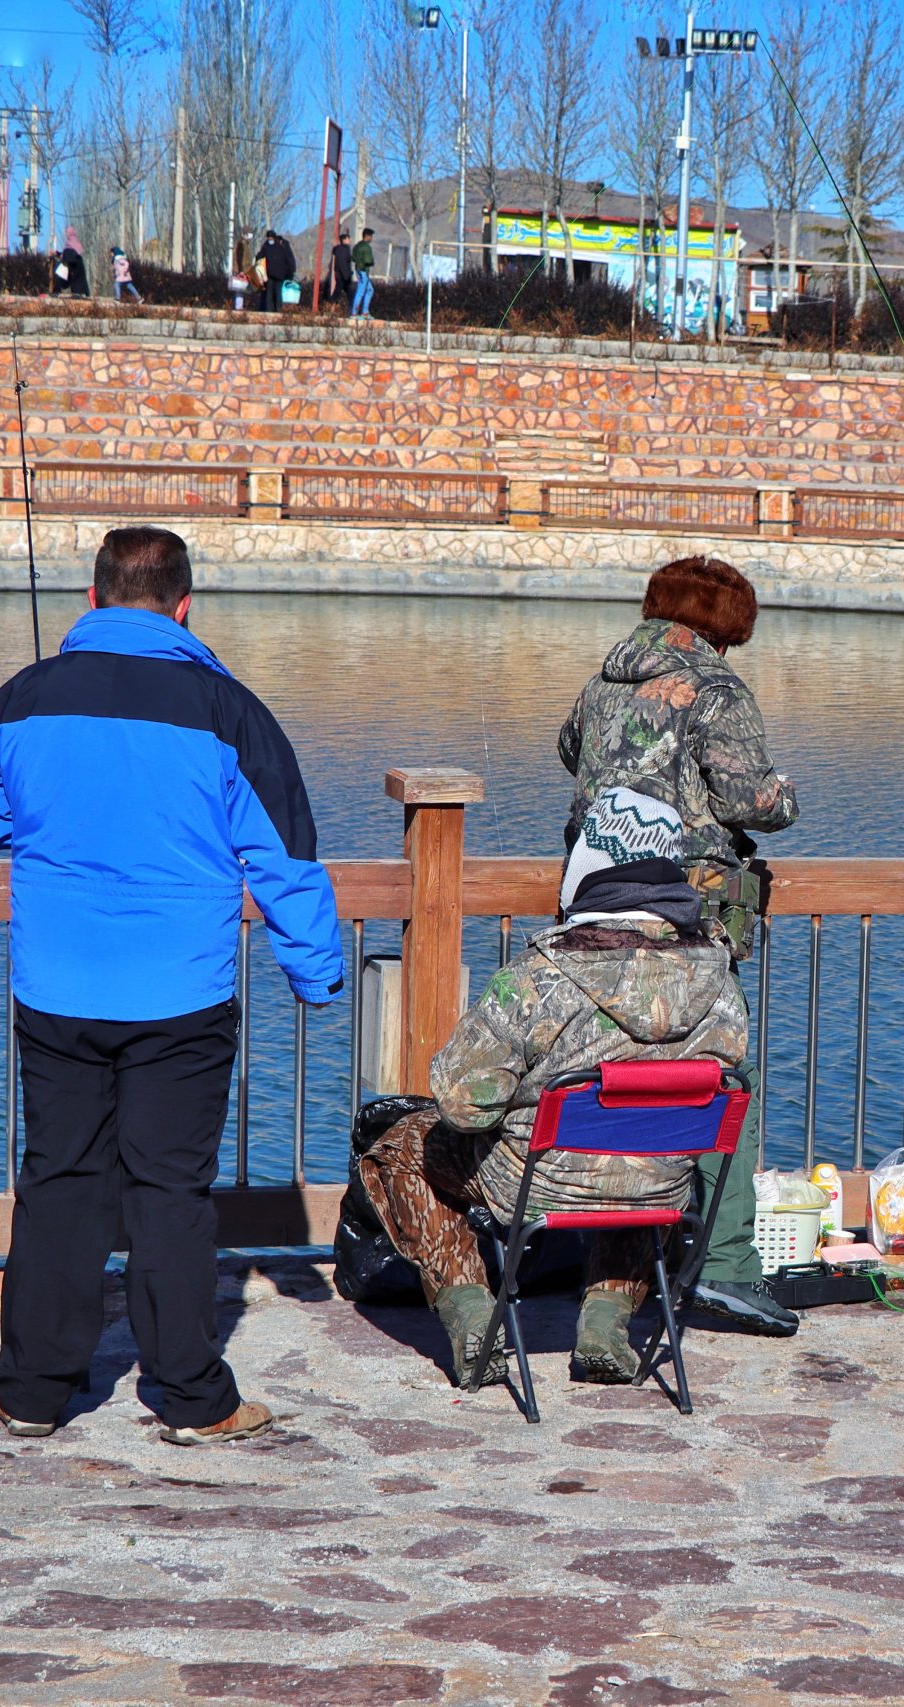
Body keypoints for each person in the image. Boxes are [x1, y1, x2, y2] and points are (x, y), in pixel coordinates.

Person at [0, 526, 345, 1444]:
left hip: (55, 987)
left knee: (58, 1180)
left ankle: (33, 1394)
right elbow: (283, 853)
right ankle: (190, 1397)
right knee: (170, 1191)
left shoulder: (26, 696)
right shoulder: (226, 710)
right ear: (183, 605)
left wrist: (54, 814)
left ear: (90, 602)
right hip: (181, 995)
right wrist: (315, 971)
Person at [354, 797, 749, 1389]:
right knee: (640, 1157)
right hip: (662, 1182)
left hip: (537, 1183)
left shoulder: (541, 975)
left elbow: (462, 1104)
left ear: (588, 865)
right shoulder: (720, 977)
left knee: (399, 1148)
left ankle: (469, 1315)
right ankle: (606, 1325)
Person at [557, 556, 800, 1337]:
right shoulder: (718, 690)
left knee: (615, 1074)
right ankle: (727, 1264)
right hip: (686, 922)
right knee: (722, 1075)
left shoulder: (602, 684)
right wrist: (784, 793)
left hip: (593, 910)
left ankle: (613, 1264)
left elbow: (571, 749)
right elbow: (748, 797)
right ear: (722, 626)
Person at [258, 229, 295, 311]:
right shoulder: (282, 247)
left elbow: (259, 256)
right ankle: (278, 310)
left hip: (271, 274)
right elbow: (288, 260)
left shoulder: (266, 246)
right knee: (278, 293)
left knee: (270, 293)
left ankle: (270, 310)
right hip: (279, 275)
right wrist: (289, 273)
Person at [350, 228, 377, 318]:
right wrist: (372, 261)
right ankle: (354, 313)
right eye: (371, 236)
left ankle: (365, 312)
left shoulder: (357, 246)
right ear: (367, 236)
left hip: (358, 270)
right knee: (360, 291)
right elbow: (368, 260)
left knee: (370, 290)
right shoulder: (366, 247)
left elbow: (353, 258)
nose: (372, 238)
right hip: (363, 271)